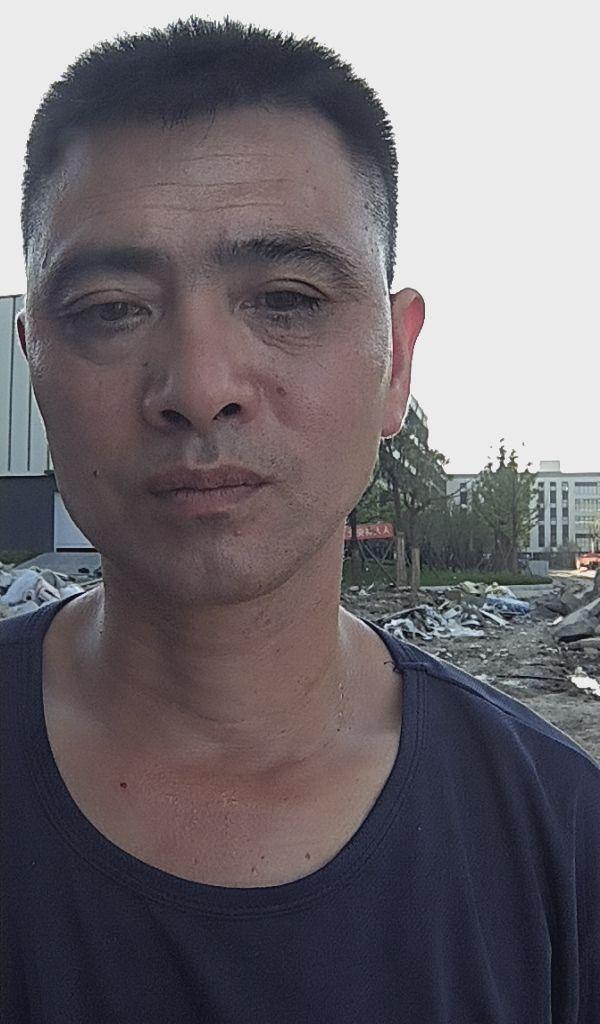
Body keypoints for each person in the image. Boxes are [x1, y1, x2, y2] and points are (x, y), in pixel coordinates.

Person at [1, 17, 598, 1023]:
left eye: (286, 298)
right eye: (110, 308)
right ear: (35, 365)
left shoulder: (561, 844)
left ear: (396, 362)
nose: (199, 387)